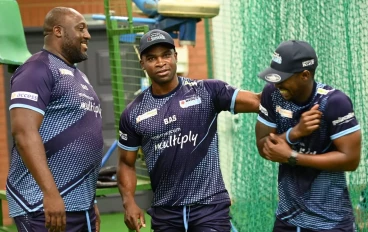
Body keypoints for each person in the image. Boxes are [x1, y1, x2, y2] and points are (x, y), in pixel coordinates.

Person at [117, 29, 261, 232]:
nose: (160, 62)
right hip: (166, 214)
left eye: (166, 55)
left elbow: (258, 101)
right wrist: (129, 202)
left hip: (209, 208)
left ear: (175, 56)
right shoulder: (133, 112)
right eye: (152, 58)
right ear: (142, 64)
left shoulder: (207, 91)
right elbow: (126, 163)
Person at [7, 7, 103, 232]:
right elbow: (23, 133)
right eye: (81, 28)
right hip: (42, 203)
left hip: (80, 203)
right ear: (58, 31)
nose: (87, 35)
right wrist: (50, 193)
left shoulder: (79, 75)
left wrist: (91, 200)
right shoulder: (37, 68)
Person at [255, 40, 361, 231]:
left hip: (331, 221)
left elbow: (351, 160)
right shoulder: (272, 94)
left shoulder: (334, 103)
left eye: (283, 78)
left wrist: (293, 157)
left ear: (305, 75)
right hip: (288, 218)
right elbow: (263, 145)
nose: (276, 83)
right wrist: (294, 133)